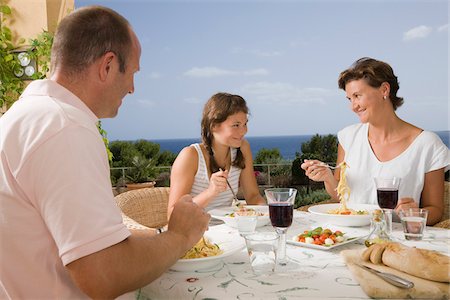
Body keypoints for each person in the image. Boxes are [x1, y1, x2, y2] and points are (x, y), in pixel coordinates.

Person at [0, 6, 209, 299]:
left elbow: (74, 238)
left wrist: (156, 237)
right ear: (108, 65)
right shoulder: (65, 128)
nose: (133, 88)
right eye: (132, 73)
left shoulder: (23, 117)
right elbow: (102, 274)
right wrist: (180, 236)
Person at [301, 57, 449, 225]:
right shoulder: (348, 137)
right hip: (348, 235)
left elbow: (436, 210)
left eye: (357, 96)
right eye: (350, 99)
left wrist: (415, 213)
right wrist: (327, 177)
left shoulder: (428, 144)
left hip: (396, 239)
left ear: (384, 90)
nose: (353, 106)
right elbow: (340, 196)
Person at [168, 92, 266, 215]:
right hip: (194, 232)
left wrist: (268, 213)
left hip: (226, 230)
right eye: (236, 125)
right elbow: (173, 215)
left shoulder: (242, 148)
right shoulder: (190, 156)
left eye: (245, 124)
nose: (243, 131)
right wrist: (210, 192)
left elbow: (253, 196)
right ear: (214, 126)